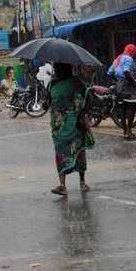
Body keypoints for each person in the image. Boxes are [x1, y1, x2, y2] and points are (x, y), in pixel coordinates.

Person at [45, 63, 95, 196]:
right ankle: (62, 185)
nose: (57, 70)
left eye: (59, 68)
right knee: (60, 153)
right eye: (56, 68)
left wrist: (81, 114)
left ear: (65, 68)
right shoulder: (52, 84)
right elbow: (47, 102)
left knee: (79, 152)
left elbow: (88, 98)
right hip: (58, 126)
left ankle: (82, 182)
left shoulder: (76, 82)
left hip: (75, 124)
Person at [108, 44, 136, 140]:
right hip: (127, 85)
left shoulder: (117, 59)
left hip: (119, 86)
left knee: (123, 108)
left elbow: (109, 73)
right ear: (133, 51)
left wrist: (118, 81)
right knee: (131, 108)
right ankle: (129, 131)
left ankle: (125, 131)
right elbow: (126, 72)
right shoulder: (128, 59)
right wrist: (134, 83)